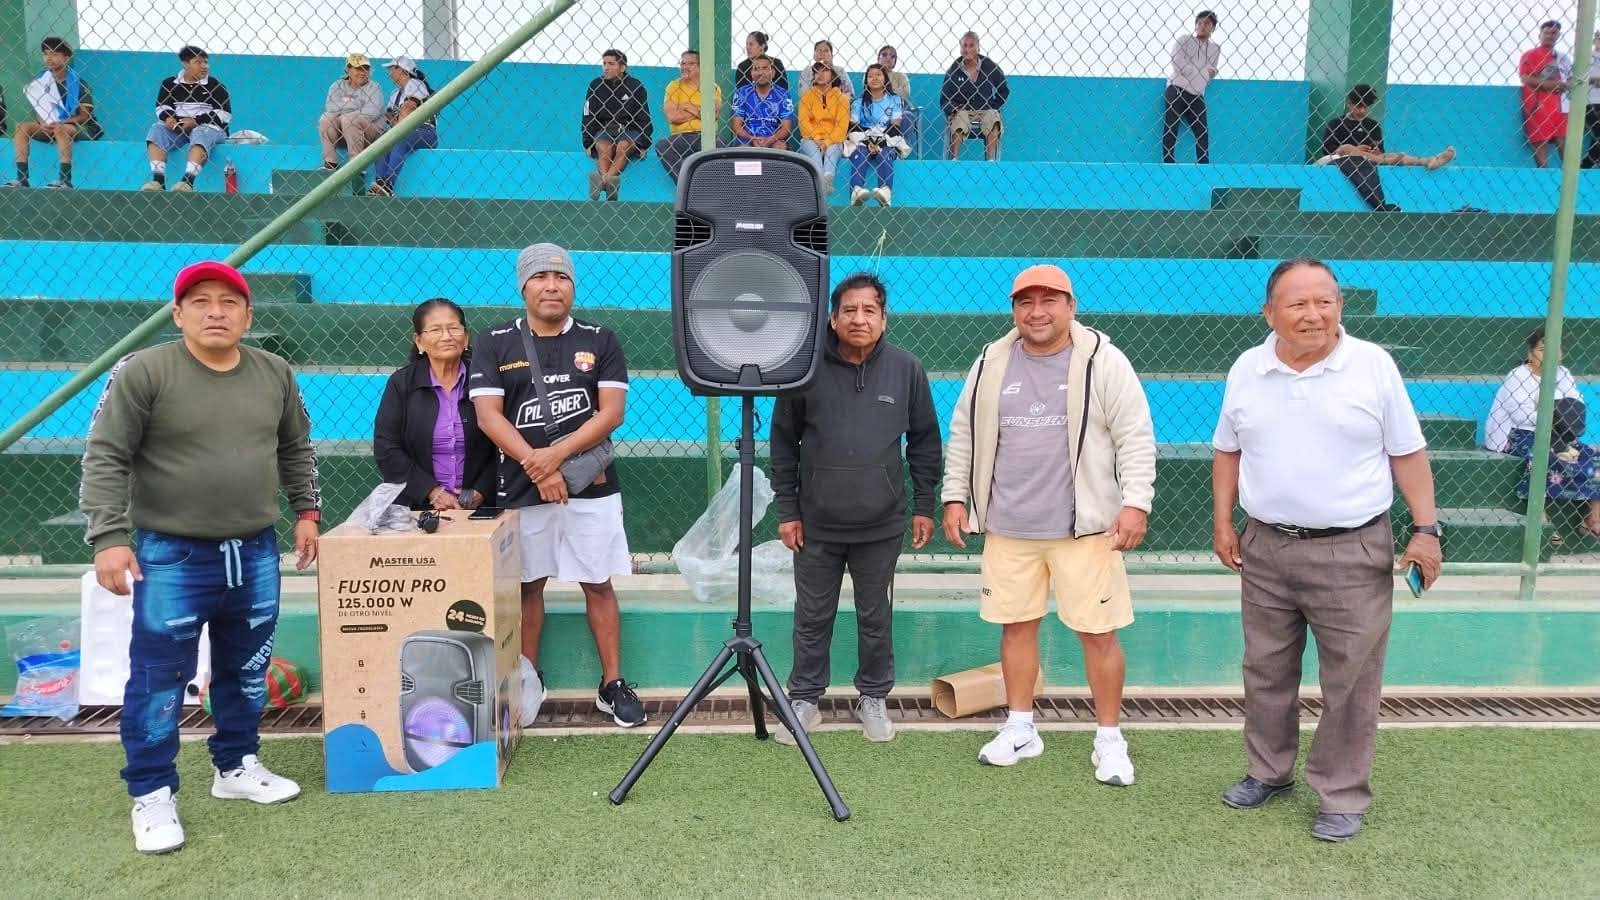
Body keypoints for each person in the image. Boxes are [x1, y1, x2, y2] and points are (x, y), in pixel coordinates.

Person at [79, 260, 322, 854]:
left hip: (255, 549)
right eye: (201, 302)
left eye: (229, 302)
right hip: (172, 556)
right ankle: (152, 792)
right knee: (160, 679)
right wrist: (108, 535)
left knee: (246, 671)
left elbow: (295, 446)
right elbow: (105, 453)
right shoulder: (143, 371)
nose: (216, 312)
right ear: (178, 313)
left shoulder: (275, 372)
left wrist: (307, 511)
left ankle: (236, 765)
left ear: (248, 315)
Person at [1211, 258, 1443, 843]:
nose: (1314, 314)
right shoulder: (1247, 368)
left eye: (1326, 301)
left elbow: (1407, 453)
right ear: (1269, 313)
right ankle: (1268, 771)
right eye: (1298, 303)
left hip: (1352, 549)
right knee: (1265, 669)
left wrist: (1426, 529)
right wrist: (1223, 523)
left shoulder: (1373, 366)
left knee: (1351, 680)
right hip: (1265, 546)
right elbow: (1227, 450)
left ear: (1339, 305)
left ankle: (1340, 793)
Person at [941, 264, 1156, 783]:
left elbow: (1135, 434)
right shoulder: (991, 360)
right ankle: (1021, 727)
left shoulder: (1103, 359)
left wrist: (1136, 503)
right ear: (1014, 309)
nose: (1036, 312)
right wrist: (954, 496)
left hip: (1085, 530)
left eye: (1049, 301)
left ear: (1071, 305)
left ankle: (1109, 738)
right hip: (1008, 526)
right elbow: (964, 432)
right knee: (1016, 627)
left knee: (1098, 634)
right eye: (1025, 302)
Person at [468, 243, 646, 729]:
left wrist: (554, 458)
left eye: (561, 277)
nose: (552, 286)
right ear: (523, 286)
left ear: (573, 286)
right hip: (522, 486)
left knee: (598, 582)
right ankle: (528, 678)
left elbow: (611, 413)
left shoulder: (600, 339)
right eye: (540, 277)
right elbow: (489, 417)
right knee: (528, 585)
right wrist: (539, 467)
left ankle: (612, 685)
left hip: (591, 485)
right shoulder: (494, 341)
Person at [769, 273, 942, 747]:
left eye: (869, 310)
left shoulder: (907, 369)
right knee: (812, 616)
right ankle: (805, 699)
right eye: (849, 310)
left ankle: (873, 697)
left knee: (875, 616)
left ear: (884, 319)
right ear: (832, 318)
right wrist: (788, 510)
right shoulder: (803, 371)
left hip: (881, 524)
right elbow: (782, 443)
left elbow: (925, 442)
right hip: (816, 526)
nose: (859, 319)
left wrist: (924, 505)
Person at [373, 298, 496, 511]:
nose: (446, 336)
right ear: (419, 341)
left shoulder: (486, 380)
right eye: (435, 330)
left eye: (453, 328)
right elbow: (386, 448)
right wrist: (431, 491)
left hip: (482, 507)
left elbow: (506, 442)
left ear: (466, 337)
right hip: (418, 506)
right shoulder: (401, 384)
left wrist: (482, 490)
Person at [1484, 327, 1600, 537]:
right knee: (1544, 456)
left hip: (1556, 434)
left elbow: (1576, 408)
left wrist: (1547, 411)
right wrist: (1557, 412)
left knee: (1594, 455)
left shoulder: (1563, 374)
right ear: (1530, 354)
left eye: (1556, 349)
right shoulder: (1518, 376)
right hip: (1516, 434)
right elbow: (1522, 416)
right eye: (1543, 349)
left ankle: (1593, 518)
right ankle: (1540, 518)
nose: (1550, 355)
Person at [1317, 84, 1455, 212]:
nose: (1362, 110)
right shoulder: (1336, 123)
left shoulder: (1373, 125)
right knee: (1347, 147)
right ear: (1349, 103)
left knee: (1391, 155)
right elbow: (1328, 150)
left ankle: (1428, 161)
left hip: (1370, 159)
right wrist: (1357, 149)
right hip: (1339, 158)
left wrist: (1374, 151)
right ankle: (1387, 160)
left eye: (1365, 107)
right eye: (1359, 106)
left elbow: (1380, 150)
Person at [6, 37, 102, 189]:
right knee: (21, 127)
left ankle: (65, 179)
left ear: (66, 58)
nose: (49, 58)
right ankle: (22, 178)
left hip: (81, 127)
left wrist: (61, 123)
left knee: (59, 128)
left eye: (54, 54)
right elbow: (39, 108)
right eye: (45, 54)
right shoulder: (40, 82)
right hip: (51, 125)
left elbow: (85, 116)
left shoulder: (79, 84)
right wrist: (43, 122)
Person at [142, 46, 231, 192]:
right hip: (179, 127)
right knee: (157, 129)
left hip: (209, 127)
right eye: (198, 62)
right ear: (185, 64)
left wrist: (196, 121)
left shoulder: (216, 86)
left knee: (200, 132)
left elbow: (224, 114)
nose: (205, 66)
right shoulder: (169, 83)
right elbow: (162, 106)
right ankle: (158, 181)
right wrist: (169, 118)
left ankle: (187, 182)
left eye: (206, 62)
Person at [580, 49, 652, 202]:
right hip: (604, 129)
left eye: (611, 64)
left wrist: (644, 143)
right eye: (604, 63)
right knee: (603, 147)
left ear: (622, 67)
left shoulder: (635, 86)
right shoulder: (596, 85)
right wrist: (588, 142)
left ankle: (602, 181)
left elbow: (644, 115)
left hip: (629, 129)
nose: (606, 67)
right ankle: (610, 181)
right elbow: (587, 114)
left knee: (623, 146)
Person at [368, 56, 436, 198]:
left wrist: (396, 130)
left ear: (403, 70)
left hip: (426, 131)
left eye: (392, 68)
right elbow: (390, 117)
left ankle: (388, 184)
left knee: (400, 139)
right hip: (406, 131)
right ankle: (380, 183)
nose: (389, 72)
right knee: (381, 142)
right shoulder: (395, 94)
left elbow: (408, 107)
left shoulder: (415, 84)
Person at [845, 63, 907, 207]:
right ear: (866, 80)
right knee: (859, 153)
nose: (874, 78)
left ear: (885, 78)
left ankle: (885, 192)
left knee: (886, 153)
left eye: (878, 75)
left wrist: (880, 143)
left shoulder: (895, 100)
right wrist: (868, 142)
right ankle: (856, 191)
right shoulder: (859, 102)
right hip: (863, 137)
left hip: (887, 137)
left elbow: (895, 125)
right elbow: (853, 125)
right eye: (870, 76)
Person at [1162, 10, 1220, 164]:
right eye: (1199, 23)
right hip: (1177, 88)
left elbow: (1213, 71)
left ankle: (1203, 165)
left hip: (1197, 94)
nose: (1202, 26)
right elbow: (1177, 62)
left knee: (1202, 131)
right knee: (1171, 125)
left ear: (1213, 28)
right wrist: (1202, 72)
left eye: (1206, 23)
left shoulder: (1215, 49)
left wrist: (1196, 72)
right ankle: (1168, 163)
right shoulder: (1184, 40)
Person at [940, 31, 1008, 161]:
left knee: (993, 116)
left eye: (971, 45)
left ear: (978, 48)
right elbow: (944, 98)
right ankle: (954, 159)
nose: (967, 49)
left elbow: (1004, 89)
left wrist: (994, 105)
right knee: (959, 117)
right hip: (963, 110)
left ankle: (991, 160)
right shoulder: (954, 70)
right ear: (961, 49)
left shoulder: (989, 66)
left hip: (985, 110)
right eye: (964, 46)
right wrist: (953, 109)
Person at [656, 49, 721, 181]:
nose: (685, 67)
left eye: (690, 64)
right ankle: (687, 183)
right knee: (662, 146)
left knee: (722, 146)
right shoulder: (674, 86)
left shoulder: (712, 87)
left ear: (700, 67)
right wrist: (701, 112)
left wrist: (687, 107)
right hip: (682, 136)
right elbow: (672, 117)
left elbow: (713, 115)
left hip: (708, 134)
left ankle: (712, 186)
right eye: (683, 63)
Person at [318, 52, 385, 171]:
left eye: (366, 68)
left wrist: (345, 111)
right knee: (326, 118)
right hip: (343, 134)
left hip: (370, 134)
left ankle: (356, 165)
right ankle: (330, 163)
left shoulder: (374, 87)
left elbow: (372, 112)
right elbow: (331, 107)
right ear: (348, 70)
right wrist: (358, 105)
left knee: (348, 119)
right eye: (358, 68)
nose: (363, 72)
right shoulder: (337, 85)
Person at [1520, 20, 1571, 169]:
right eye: (1546, 33)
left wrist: (1566, 85)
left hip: (1561, 107)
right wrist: (1552, 85)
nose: (1549, 36)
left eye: (1553, 33)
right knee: (1541, 147)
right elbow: (1525, 78)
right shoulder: (1531, 54)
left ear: (1558, 35)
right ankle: (1544, 178)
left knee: (1565, 146)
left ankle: (1572, 178)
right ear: (1539, 35)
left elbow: (1571, 78)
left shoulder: (1563, 58)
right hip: (1538, 107)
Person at [798, 62, 849, 193]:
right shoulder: (807, 96)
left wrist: (826, 142)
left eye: (824, 71)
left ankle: (827, 178)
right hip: (811, 138)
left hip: (833, 140)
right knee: (813, 152)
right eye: (816, 71)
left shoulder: (842, 99)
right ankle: (822, 181)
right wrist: (816, 139)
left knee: (833, 149)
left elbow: (842, 126)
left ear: (833, 75)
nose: (820, 74)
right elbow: (804, 122)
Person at [730, 56, 794, 148]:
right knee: (743, 148)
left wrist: (770, 140)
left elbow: (786, 128)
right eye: (756, 69)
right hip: (747, 139)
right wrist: (752, 139)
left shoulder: (783, 94)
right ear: (752, 74)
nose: (760, 73)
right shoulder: (742, 92)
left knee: (779, 147)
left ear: (773, 73)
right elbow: (736, 125)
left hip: (774, 139)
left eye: (765, 68)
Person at [875, 44, 918, 151]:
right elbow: (869, 92)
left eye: (892, 56)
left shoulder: (900, 76)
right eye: (884, 54)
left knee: (907, 116)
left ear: (895, 61)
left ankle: (900, 150)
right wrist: (894, 90)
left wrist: (884, 90)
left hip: (899, 108)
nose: (888, 58)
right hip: (877, 107)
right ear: (878, 58)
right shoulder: (871, 74)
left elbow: (905, 93)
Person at [1585, 31, 1600, 168]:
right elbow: (1577, 78)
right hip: (1590, 101)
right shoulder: (1586, 57)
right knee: (1598, 130)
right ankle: (1587, 164)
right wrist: (1594, 80)